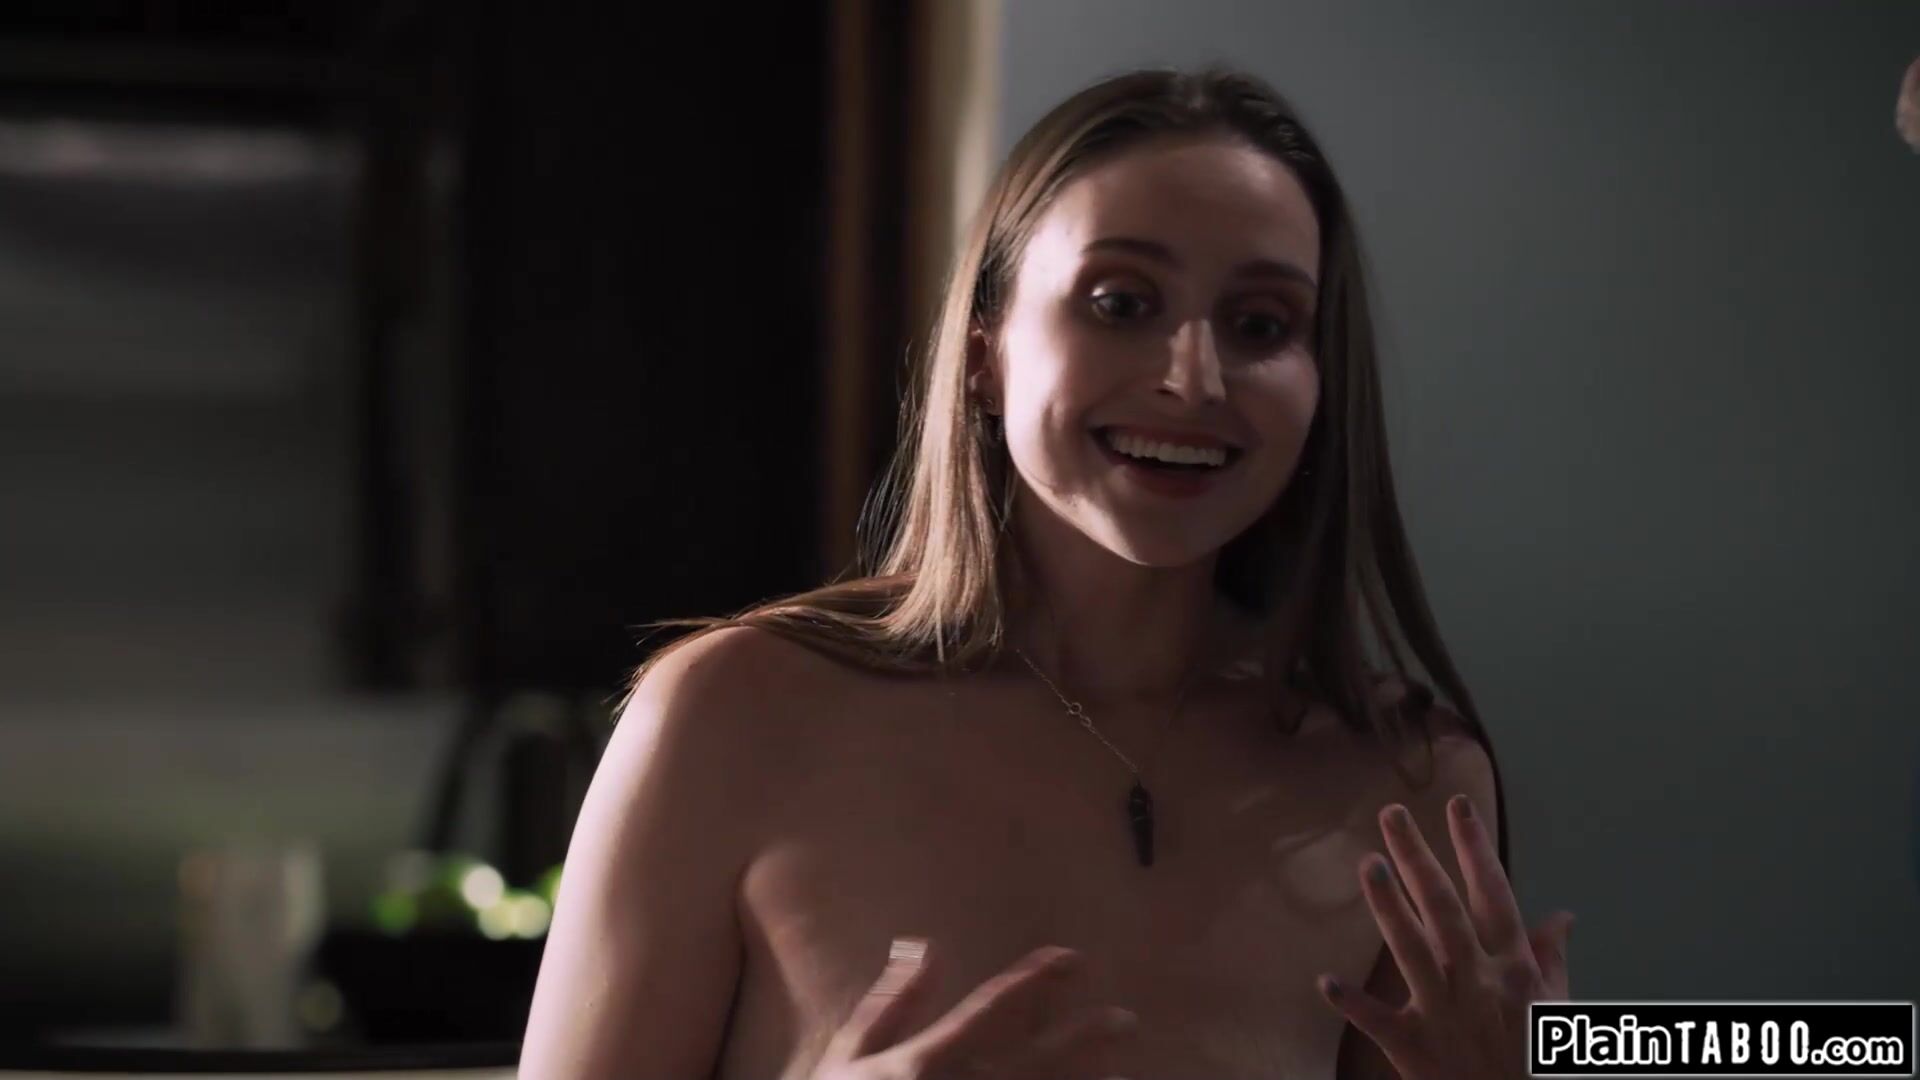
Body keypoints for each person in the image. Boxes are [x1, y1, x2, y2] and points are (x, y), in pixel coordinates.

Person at [517, 65, 1574, 1080]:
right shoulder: (735, 715)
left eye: (1261, 325)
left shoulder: (1408, 781)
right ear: (986, 356)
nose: (1194, 379)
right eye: (1121, 303)